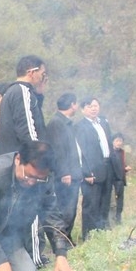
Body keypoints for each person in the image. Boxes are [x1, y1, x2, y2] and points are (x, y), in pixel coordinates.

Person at [0, 141, 81, 271]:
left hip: (9, 238)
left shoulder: (44, 178)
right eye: (28, 176)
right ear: (18, 160)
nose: (31, 182)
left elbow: (52, 215)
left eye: (37, 179)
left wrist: (61, 254)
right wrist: (2, 262)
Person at [0, 55, 48, 158]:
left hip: (9, 158)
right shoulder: (22, 91)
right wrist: (38, 154)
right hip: (21, 159)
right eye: (42, 74)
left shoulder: (11, 91)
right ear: (31, 72)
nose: (42, 78)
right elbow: (26, 127)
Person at [75, 96, 113, 240]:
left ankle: (101, 232)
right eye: (90, 106)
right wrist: (86, 172)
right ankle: (89, 235)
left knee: (104, 201)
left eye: (96, 105)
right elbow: (81, 151)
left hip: (107, 166)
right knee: (91, 203)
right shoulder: (80, 127)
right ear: (83, 109)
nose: (94, 108)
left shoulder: (103, 123)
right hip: (91, 170)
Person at [46, 92, 81, 243]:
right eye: (76, 103)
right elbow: (58, 150)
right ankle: (61, 239)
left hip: (73, 173)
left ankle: (66, 237)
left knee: (71, 208)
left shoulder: (66, 122)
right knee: (64, 208)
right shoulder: (56, 123)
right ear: (72, 104)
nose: (77, 106)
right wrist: (64, 172)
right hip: (65, 175)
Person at [109, 132, 131, 225]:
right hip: (112, 180)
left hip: (121, 180)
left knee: (120, 203)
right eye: (117, 141)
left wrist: (125, 168)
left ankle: (118, 221)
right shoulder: (110, 152)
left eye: (121, 141)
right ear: (112, 141)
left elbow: (121, 165)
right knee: (113, 203)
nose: (119, 143)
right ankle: (111, 222)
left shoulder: (121, 152)